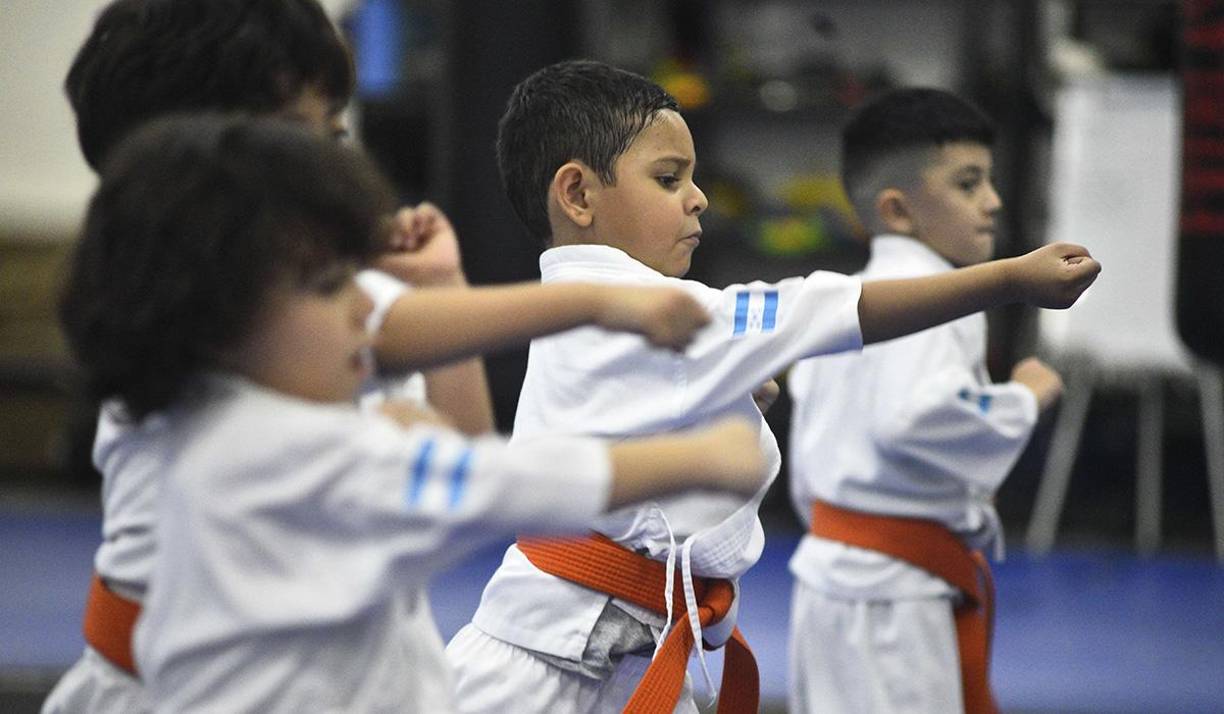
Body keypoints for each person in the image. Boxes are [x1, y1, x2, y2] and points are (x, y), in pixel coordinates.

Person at [42, 2, 717, 712]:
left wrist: (442, 283)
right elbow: (481, 465)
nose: (334, 160)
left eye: (335, 133)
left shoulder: (316, 296)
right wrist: (603, 315)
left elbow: (459, 444)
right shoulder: (210, 333)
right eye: (309, 135)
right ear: (200, 157)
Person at [445, 60, 1099, 714]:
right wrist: (1010, 281)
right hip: (542, 676)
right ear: (579, 195)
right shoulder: (642, 307)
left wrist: (725, 403)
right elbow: (821, 307)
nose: (697, 197)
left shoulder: (593, 307)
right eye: (669, 179)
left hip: (614, 652)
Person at [785, 87, 1062, 714]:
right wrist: (1023, 397)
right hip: (889, 596)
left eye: (988, 182)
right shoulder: (934, 296)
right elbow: (913, 415)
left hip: (832, 579)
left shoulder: (847, 297)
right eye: (968, 184)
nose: (992, 202)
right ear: (899, 211)